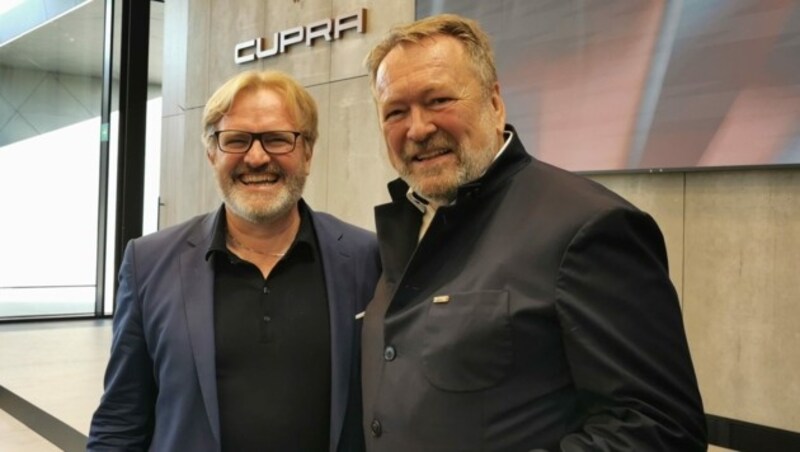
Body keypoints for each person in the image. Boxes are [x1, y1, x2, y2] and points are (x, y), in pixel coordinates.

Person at [360, 14, 707, 451]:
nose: (418, 128)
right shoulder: (410, 223)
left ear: (494, 101)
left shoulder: (589, 227)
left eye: (438, 100)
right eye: (396, 111)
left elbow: (660, 428)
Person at [88, 70, 380, 451]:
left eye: (278, 139)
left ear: (307, 152)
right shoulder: (148, 264)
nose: (256, 157)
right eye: (236, 140)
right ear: (212, 153)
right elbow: (121, 420)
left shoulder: (367, 259)